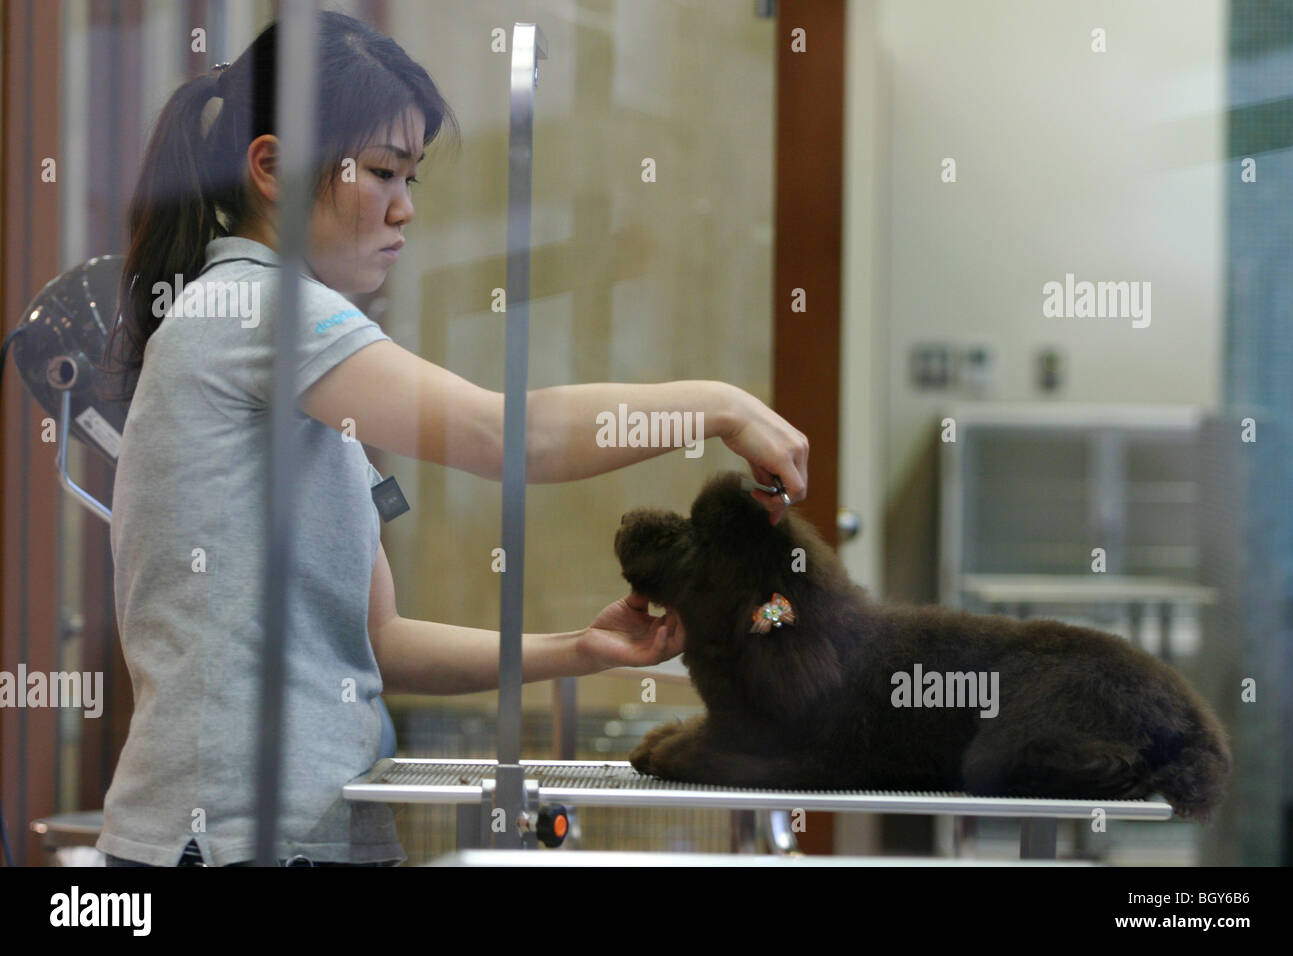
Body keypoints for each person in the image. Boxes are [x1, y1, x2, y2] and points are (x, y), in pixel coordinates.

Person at [93, 11, 808, 867]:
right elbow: (513, 437)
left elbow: (382, 641)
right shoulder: (258, 309)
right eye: (385, 172)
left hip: (306, 829)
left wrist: (576, 650)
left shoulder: (293, 359)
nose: (404, 209)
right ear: (273, 168)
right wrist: (721, 404)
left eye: (413, 177)